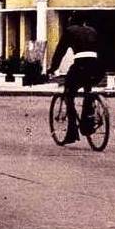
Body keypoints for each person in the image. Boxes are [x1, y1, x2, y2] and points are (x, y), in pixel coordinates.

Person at [47, 13, 104, 144]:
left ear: (71, 21)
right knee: (88, 91)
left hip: (81, 66)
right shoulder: (92, 31)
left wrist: (52, 68)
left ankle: (72, 132)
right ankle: (88, 122)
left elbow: (60, 52)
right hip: (97, 67)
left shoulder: (70, 31)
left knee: (69, 94)